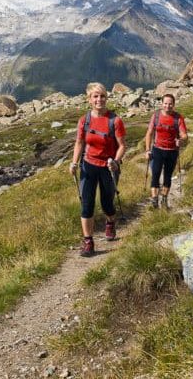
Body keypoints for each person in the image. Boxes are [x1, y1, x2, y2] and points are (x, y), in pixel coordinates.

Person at [69, 82, 126, 257]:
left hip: (109, 167)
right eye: (95, 96)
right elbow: (79, 143)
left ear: (106, 98)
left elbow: (122, 146)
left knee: (107, 203)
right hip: (88, 166)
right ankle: (88, 242)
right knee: (87, 204)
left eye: (102, 96)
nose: (99, 99)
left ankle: (110, 222)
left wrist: (116, 161)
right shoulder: (84, 120)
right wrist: (74, 162)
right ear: (89, 99)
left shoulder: (115, 120)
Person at [144, 93, 188, 210]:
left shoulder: (178, 118)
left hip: (172, 151)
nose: (167, 106)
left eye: (170, 104)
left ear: (174, 104)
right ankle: (154, 200)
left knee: (168, 176)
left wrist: (181, 140)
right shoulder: (156, 116)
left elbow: (184, 135)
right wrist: (147, 150)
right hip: (157, 149)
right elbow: (149, 133)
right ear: (161, 104)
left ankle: (164, 200)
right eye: (165, 103)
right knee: (155, 174)